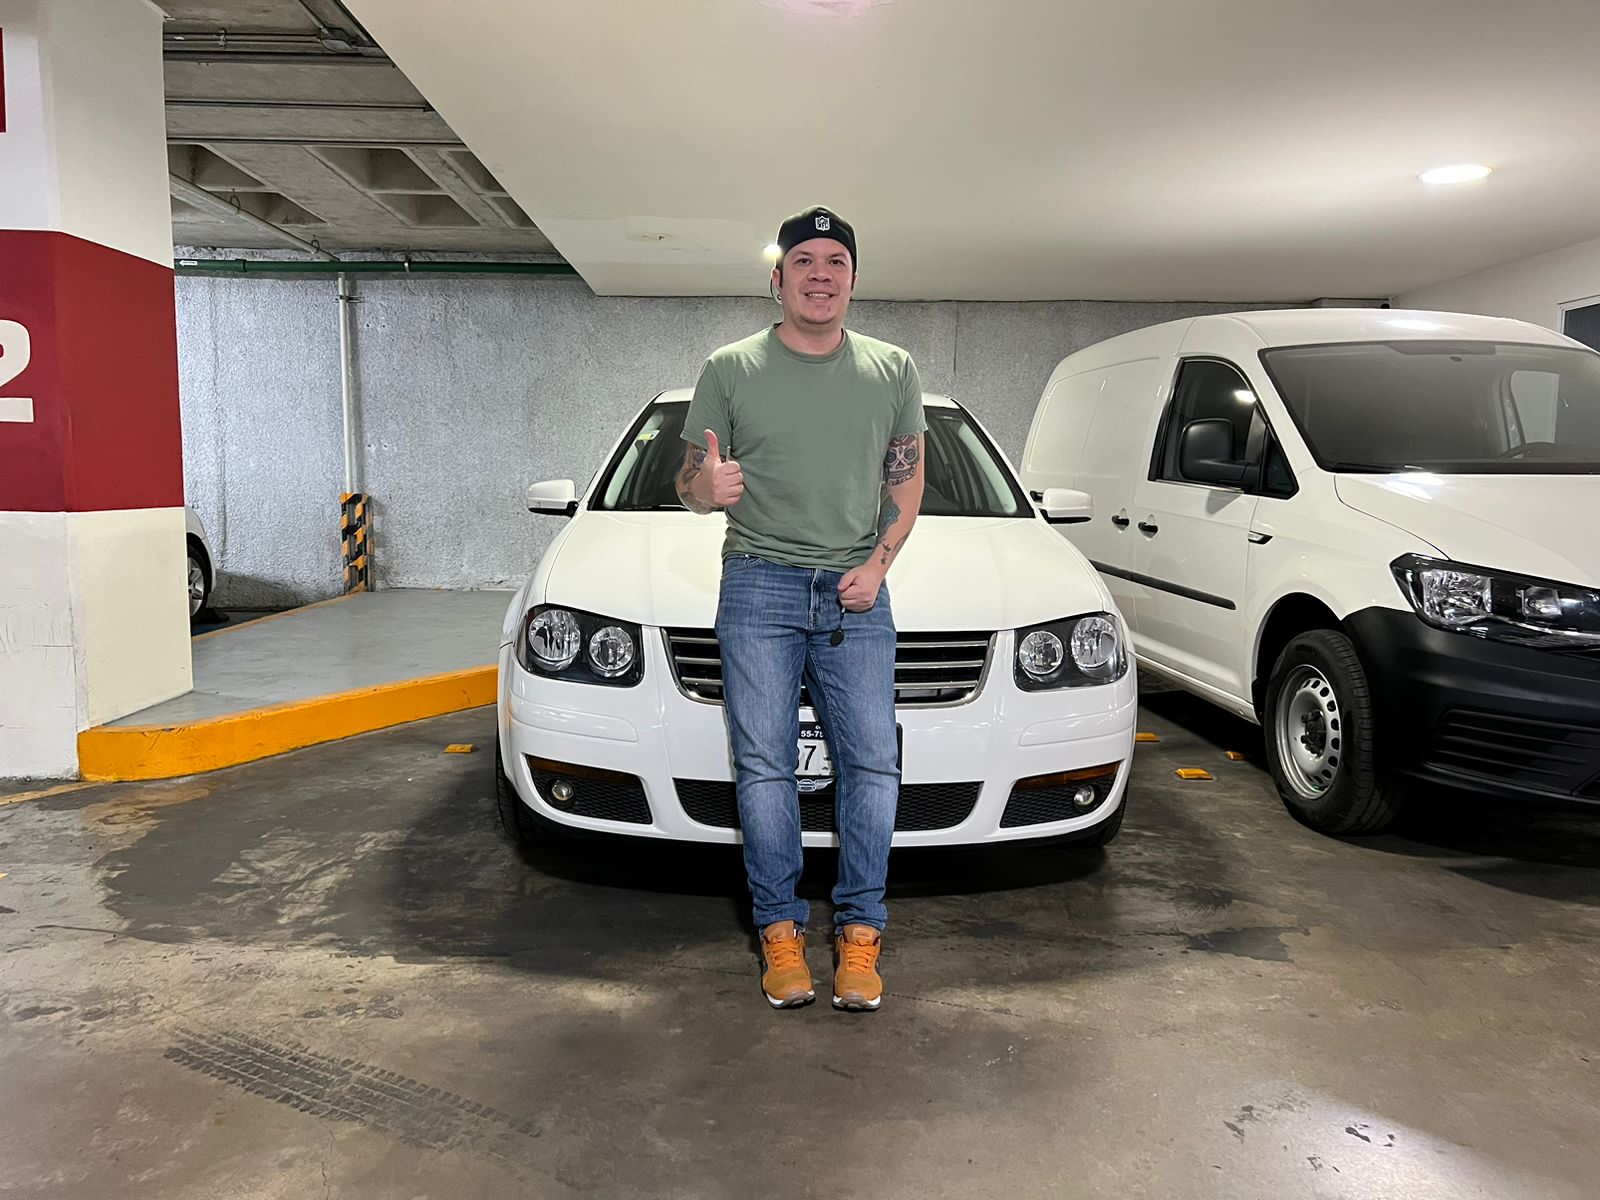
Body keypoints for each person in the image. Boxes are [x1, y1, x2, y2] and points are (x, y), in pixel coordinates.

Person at [675, 205, 926, 1012]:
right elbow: (687, 482)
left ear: (853, 279)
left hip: (857, 592)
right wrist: (702, 492)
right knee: (765, 769)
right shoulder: (730, 368)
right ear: (777, 278)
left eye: (836, 262)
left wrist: (878, 564)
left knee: (873, 768)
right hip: (758, 585)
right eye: (804, 261)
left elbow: (905, 478)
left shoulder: (892, 369)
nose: (821, 274)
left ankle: (860, 936)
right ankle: (779, 933)